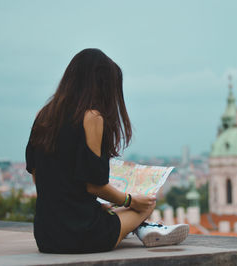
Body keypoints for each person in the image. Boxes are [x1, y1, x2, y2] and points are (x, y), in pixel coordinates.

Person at [25, 48, 189, 254]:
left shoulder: (44, 114)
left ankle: (142, 229)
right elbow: (95, 185)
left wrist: (81, 205)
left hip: (46, 234)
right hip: (81, 234)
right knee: (145, 205)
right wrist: (130, 200)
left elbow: (36, 175)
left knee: (113, 211)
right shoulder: (92, 116)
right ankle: (143, 228)